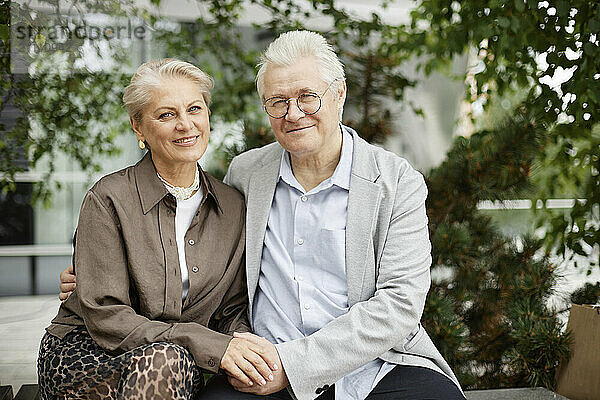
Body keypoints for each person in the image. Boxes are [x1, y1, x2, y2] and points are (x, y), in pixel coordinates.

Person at [60, 32, 466, 400]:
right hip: (259, 366)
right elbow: (199, 267)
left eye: (308, 96)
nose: (293, 113)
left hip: (375, 365)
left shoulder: (396, 183)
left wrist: (294, 366)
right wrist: (100, 279)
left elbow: (398, 305)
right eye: (278, 102)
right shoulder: (246, 175)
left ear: (339, 93)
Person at [40, 58, 277, 399]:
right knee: (165, 361)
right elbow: (106, 315)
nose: (186, 124)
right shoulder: (108, 198)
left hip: (179, 364)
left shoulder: (232, 205)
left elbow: (232, 309)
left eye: (194, 109)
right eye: (167, 115)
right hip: (89, 355)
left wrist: (243, 355)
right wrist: (207, 344)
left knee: (170, 361)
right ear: (138, 128)